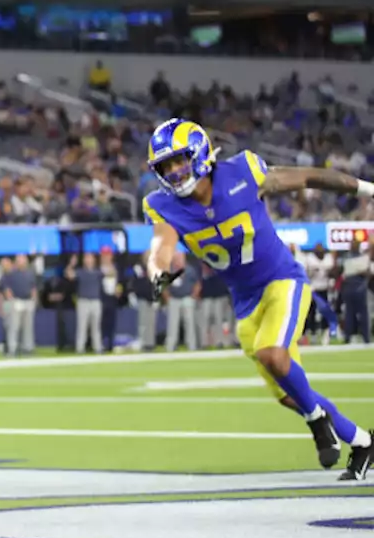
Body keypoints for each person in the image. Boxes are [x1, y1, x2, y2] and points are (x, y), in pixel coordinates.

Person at [143, 117, 372, 481]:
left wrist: (366, 188)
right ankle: (362, 442)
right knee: (288, 393)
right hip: (246, 301)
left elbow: (309, 177)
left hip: (282, 281)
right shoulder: (162, 205)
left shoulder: (244, 171)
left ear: (200, 152)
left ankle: (317, 423)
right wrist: (157, 270)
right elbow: (161, 244)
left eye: (179, 160)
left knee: (273, 355)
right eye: (165, 166)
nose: (174, 171)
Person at [163, 252, 200, 352]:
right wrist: (168, 298)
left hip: (187, 298)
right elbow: (164, 287)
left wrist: (193, 296)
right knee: (172, 323)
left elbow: (197, 284)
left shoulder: (190, 270)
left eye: (180, 259)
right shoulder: (169, 271)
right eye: (176, 259)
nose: (178, 261)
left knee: (189, 322)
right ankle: (170, 346)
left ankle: (192, 345)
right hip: (174, 299)